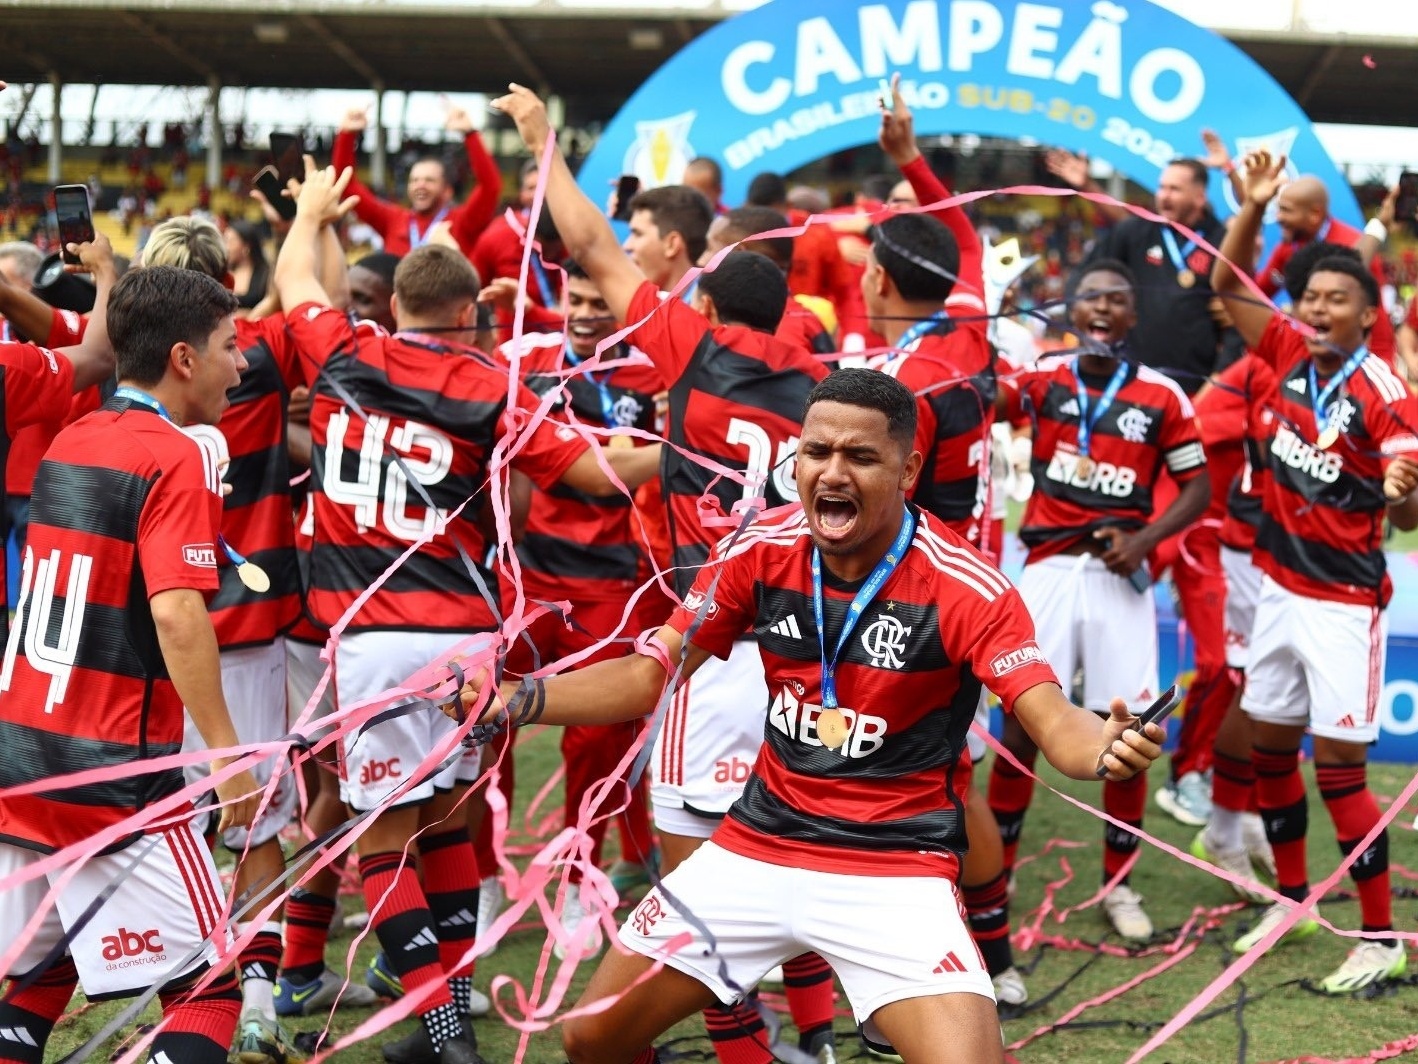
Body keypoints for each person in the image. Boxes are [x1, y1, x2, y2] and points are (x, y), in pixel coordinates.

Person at [445, 367, 1167, 1064]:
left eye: (860, 456)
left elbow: (1053, 721)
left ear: (909, 470)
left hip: (892, 868)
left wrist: (1103, 747)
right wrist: (517, 698)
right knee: (590, 1040)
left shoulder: (968, 587)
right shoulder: (757, 549)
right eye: (816, 451)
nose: (832, 472)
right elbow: (645, 676)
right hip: (757, 845)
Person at [273, 161, 661, 1064]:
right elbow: (581, 471)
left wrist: (311, 212)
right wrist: (676, 455)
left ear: (396, 305)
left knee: (390, 836)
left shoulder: (343, 349)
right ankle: (439, 1023)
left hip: (371, 635)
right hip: (466, 639)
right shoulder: (492, 383)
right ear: (466, 315)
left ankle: (441, 1026)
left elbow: (295, 277)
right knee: (444, 817)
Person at [492, 83, 839, 1064]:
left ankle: (753, 1050)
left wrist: (544, 142)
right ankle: (809, 1034)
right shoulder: (825, 389)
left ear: (712, 303)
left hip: (712, 644)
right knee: (790, 855)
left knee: (697, 896)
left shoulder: (692, 346)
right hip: (810, 647)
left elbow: (593, 245)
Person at [0, 264, 263, 1064]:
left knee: (37, 976)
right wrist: (226, 755)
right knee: (212, 990)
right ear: (183, 359)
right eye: (229, 346)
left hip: (22, 757)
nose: (242, 364)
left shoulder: (74, 435)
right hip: (114, 776)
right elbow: (178, 613)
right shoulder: (174, 454)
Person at [1211, 148, 1418, 993]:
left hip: (1342, 603)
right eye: (1310, 298)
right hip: (1276, 591)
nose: (1318, 309)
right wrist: (1253, 206)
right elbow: (1227, 290)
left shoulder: (1386, 394)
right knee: (1267, 749)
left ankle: (1379, 935)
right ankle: (1290, 899)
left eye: (1337, 300)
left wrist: (1405, 491)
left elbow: (1405, 512)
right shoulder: (1289, 352)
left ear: (1366, 316)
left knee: (1338, 772)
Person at [986, 259, 1210, 942]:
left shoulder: (1164, 396)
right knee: (1022, 724)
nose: (1104, 310)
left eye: (1116, 301)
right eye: (1090, 301)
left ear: (1133, 316)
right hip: (1050, 569)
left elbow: (1198, 489)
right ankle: (1002, 874)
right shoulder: (1042, 380)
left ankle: (1120, 888)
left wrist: (1145, 541)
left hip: (1120, 576)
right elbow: (982, 398)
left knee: (1134, 730)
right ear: (1072, 313)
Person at [1069, 157, 1230, 394]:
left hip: (1194, 385)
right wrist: (1076, 314)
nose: (1163, 196)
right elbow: (1085, 275)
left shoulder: (1222, 243)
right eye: (1162, 187)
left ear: (1199, 196)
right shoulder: (1134, 232)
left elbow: (1236, 326)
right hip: (1128, 377)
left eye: (1174, 189)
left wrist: (1216, 381)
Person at [1255, 174, 1396, 364]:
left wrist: (1380, 363)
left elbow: (1375, 318)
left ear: (1315, 214)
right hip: (1310, 357)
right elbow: (1257, 294)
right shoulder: (1287, 247)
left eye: (1286, 210)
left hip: (1357, 360)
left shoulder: (1355, 245)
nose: (1278, 218)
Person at [332, 103, 500, 257]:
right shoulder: (391, 219)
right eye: (414, 180)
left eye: (429, 180)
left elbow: (490, 187)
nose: (420, 185)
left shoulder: (463, 222)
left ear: (447, 190)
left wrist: (470, 134)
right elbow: (347, 185)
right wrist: (346, 135)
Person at [224, 219, 271, 311]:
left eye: (230, 241)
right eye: (224, 240)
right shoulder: (222, 273)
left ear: (246, 246)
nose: (226, 247)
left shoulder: (265, 274)